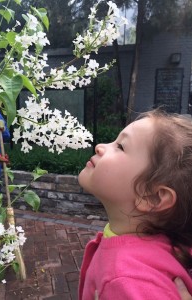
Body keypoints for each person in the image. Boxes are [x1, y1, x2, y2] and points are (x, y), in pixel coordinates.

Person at [78, 109, 192, 299]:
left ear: (153, 198)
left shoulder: (128, 281)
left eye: (120, 147)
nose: (100, 146)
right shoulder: (167, 243)